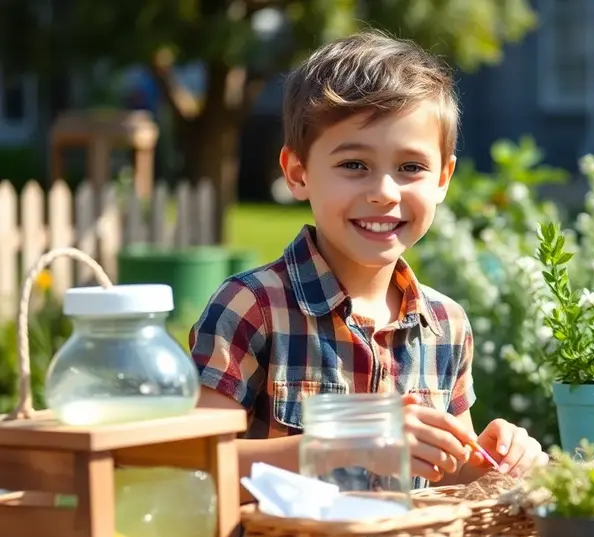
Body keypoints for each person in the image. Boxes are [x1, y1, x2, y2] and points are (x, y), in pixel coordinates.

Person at [189, 29, 547, 500]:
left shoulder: (446, 326)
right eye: (354, 165)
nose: (384, 191)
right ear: (297, 173)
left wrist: (496, 458)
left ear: (443, 178)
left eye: (411, 168)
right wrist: (342, 444)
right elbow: (196, 465)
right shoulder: (251, 307)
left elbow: (451, 473)